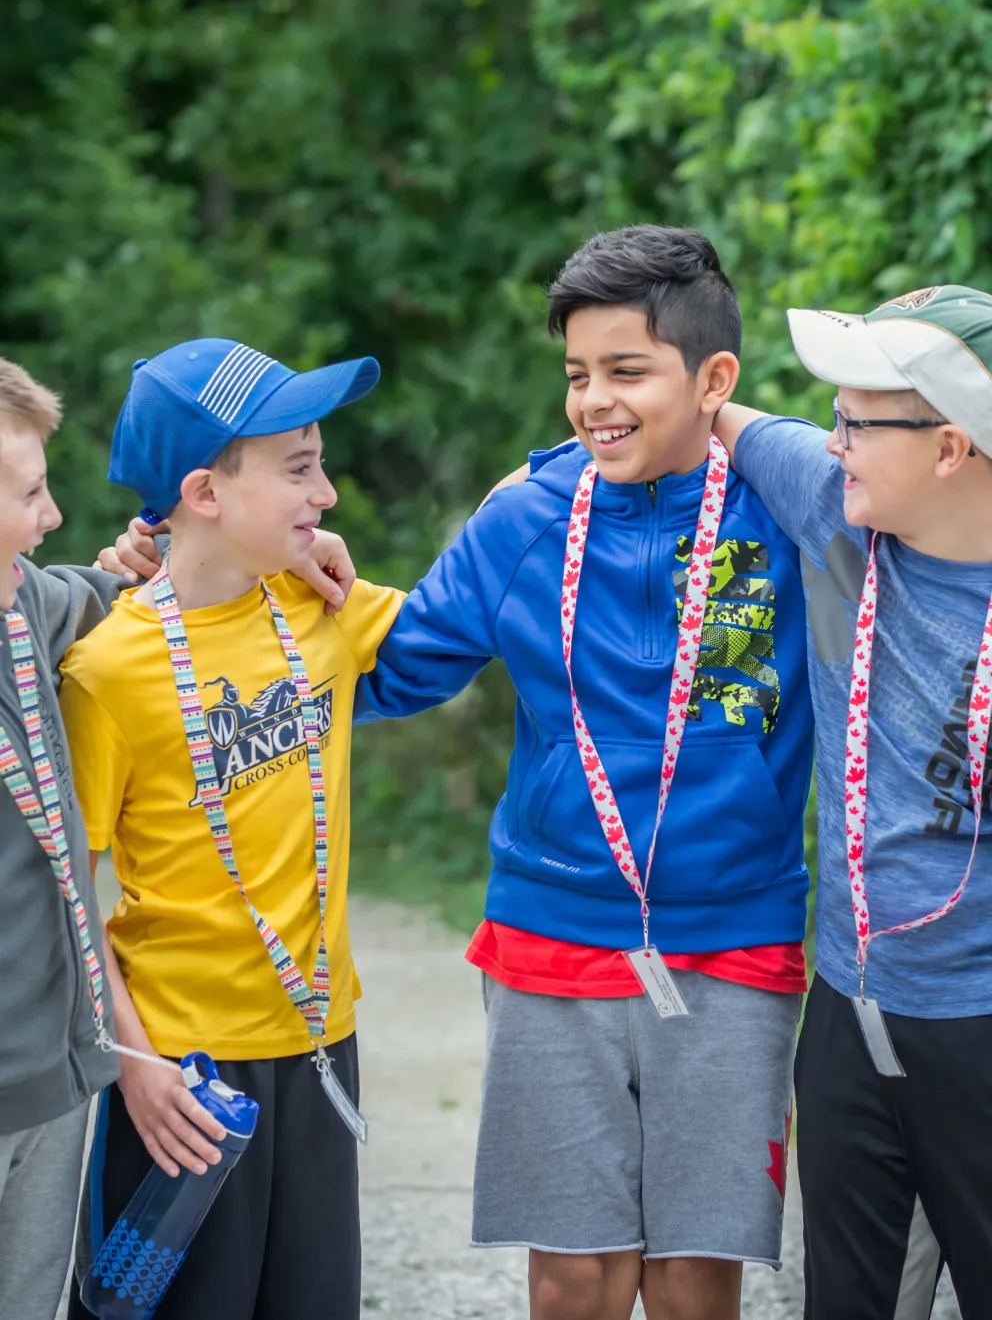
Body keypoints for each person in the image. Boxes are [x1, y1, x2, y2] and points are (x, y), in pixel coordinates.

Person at [351, 226, 814, 1320]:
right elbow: (391, 669)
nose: (593, 401)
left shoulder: (786, 518)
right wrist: (257, 584)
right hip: (551, 930)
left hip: (735, 936)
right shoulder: (524, 516)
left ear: (713, 380)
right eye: (576, 374)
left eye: (627, 370)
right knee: (572, 1272)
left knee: (695, 1274)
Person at [59, 338, 404, 1320]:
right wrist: (131, 1063)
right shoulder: (106, 668)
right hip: (179, 1076)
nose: (326, 494)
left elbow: (472, 615)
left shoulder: (319, 604)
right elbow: (66, 890)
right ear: (205, 492)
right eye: (299, 468)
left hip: (320, 1041)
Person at [710, 286, 992, 1320]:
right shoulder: (833, 505)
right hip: (847, 1006)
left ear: (949, 448)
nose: (832, 444)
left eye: (857, 423)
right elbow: (698, 411)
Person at [0, 357, 126, 1320]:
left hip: (54, 1069)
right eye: (29, 495)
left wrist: (139, 561)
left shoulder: (25, 605)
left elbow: (98, 590)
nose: (52, 515)